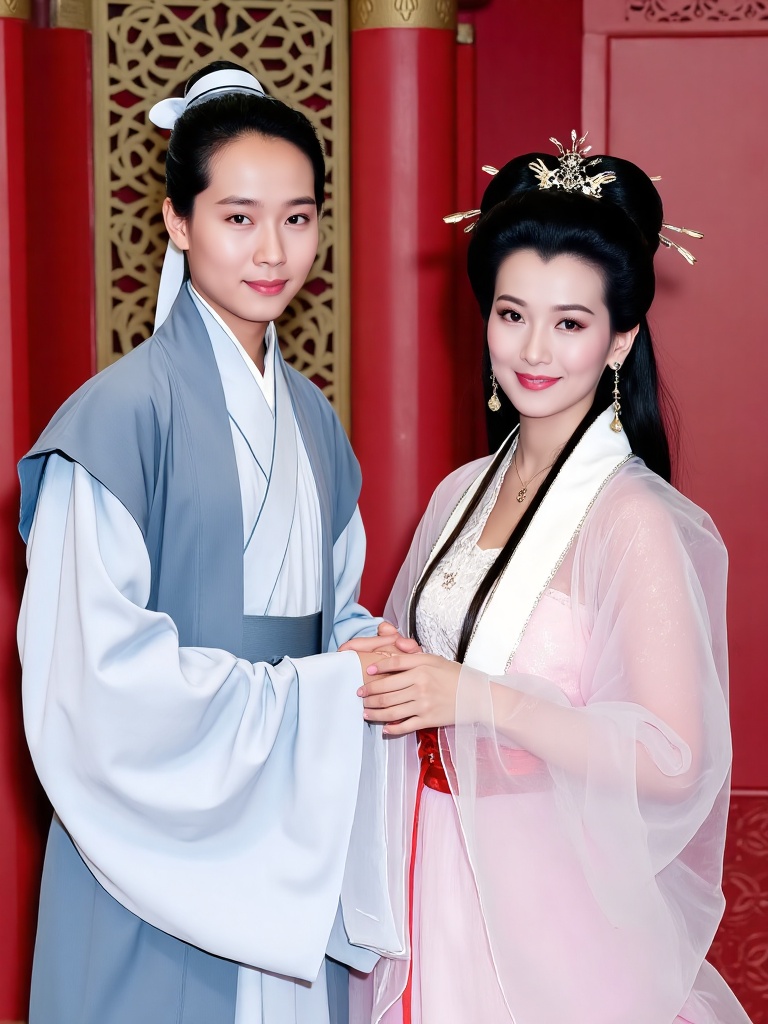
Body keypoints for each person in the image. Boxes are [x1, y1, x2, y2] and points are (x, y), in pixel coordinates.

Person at [17, 61, 405, 1024]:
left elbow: (330, 606)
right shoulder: (116, 421)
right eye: (238, 217)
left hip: (287, 840)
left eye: (298, 217)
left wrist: (368, 652)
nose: (272, 250)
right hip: (151, 852)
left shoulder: (314, 424)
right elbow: (92, 681)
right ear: (178, 222)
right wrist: (322, 690)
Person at [343, 133, 751, 1023]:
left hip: (548, 886)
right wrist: (382, 663)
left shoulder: (633, 519)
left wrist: (472, 696)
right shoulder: (461, 492)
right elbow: (420, 661)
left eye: (570, 323)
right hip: (432, 859)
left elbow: (671, 760)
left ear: (620, 339)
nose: (533, 349)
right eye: (511, 314)